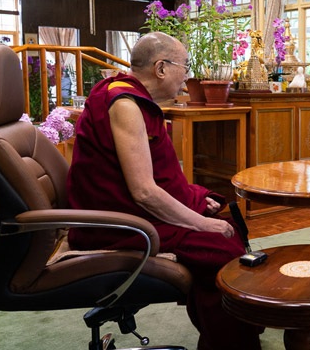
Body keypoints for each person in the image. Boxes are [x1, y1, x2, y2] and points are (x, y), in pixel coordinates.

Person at [66, 32, 262, 350]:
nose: (187, 77)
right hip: (121, 226)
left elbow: (155, 177)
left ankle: (227, 330)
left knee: (222, 214)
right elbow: (144, 192)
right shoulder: (125, 104)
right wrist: (200, 223)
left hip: (132, 212)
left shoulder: (126, 93)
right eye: (184, 67)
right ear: (161, 68)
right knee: (224, 252)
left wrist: (194, 199)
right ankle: (232, 341)